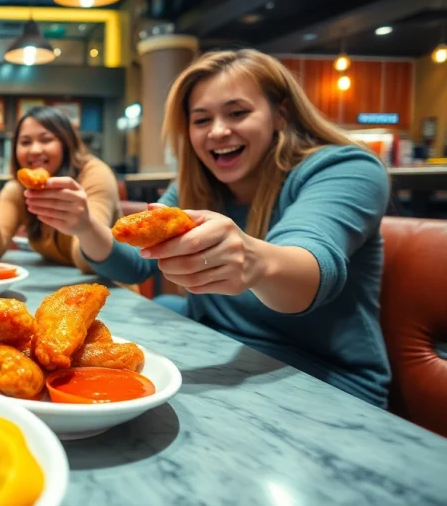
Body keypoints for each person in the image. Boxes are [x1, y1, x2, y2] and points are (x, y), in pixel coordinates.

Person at [84, 49, 391, 407]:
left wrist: (253, 262)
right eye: (201, 120)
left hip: (327, 384)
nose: (218, 131)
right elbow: (135, 265)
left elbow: (314, 264)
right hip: (219, 357)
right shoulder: (193, 188)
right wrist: (82, 224)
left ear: (281, 114)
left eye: (237, 113)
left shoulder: (346, 168)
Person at [0, 106, 122, 273]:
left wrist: (84, 226)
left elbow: (88, 263)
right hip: (56, 287)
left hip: (113, 289)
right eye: (25, 142)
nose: (34, 150)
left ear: (66, 143)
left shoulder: (95, 175)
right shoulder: (18, 189)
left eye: (46, 139)